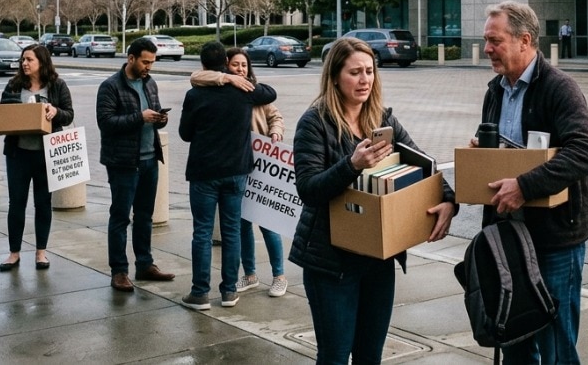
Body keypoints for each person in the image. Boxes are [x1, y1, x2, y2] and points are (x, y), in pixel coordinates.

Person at [291, 37, 457, 364]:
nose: (365, 79)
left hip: (377, 260)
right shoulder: (315, 123)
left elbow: (424, 163)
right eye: (355, 72)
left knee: (370, 356)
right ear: (336, 77)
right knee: (335, 356)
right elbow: (308, 188)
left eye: (369, 71)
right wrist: (352, 165)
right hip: (331, 263)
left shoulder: (382, 120)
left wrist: (449, 199)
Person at [479, 1, 588, 364]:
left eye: (494, 41)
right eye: (486, 41)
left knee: (556, 345)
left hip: (555, 241)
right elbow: (501, 153)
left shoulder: (560, 88)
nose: (487, 49)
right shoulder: (495, 91)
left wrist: (524, 186)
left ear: (525, 40)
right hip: (508, 240)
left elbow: (585, 152)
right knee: (515, 339)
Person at [179, 42, 277, 311]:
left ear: (202, 65)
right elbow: (270, 93)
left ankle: (199, 293)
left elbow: (185, 134)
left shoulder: (194, 95)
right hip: (236, 171)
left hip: (203, 171)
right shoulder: (243, 92)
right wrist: (236, 78)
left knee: (202, 232)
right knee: (232, 231)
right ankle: (229, 291)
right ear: (226, 63)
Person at [97, 38, 174, 292]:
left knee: (145, 216)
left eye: (152, 62)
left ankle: (145, 264)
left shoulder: (149, 83)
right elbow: (106, 123)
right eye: (145, 61)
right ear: (131, 58)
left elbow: (152, 119)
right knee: (120, 217)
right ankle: (119, 270)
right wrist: (139, 118)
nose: (149, 67)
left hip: (150, 159)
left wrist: (159, 119)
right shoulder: (110, 86)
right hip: (123, 163)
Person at [0, 44, 74, 272]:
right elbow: (0, 114)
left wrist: (55, 112)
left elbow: (69, 114)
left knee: (43, 203)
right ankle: (14, 253)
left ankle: (41, 252)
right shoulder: (14, 85)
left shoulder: (57, 85)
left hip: (46, 154)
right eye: (23, 59)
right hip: (18, 153)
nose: (24, 63)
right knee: (16, 203)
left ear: (41, 61)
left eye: (29, 59)